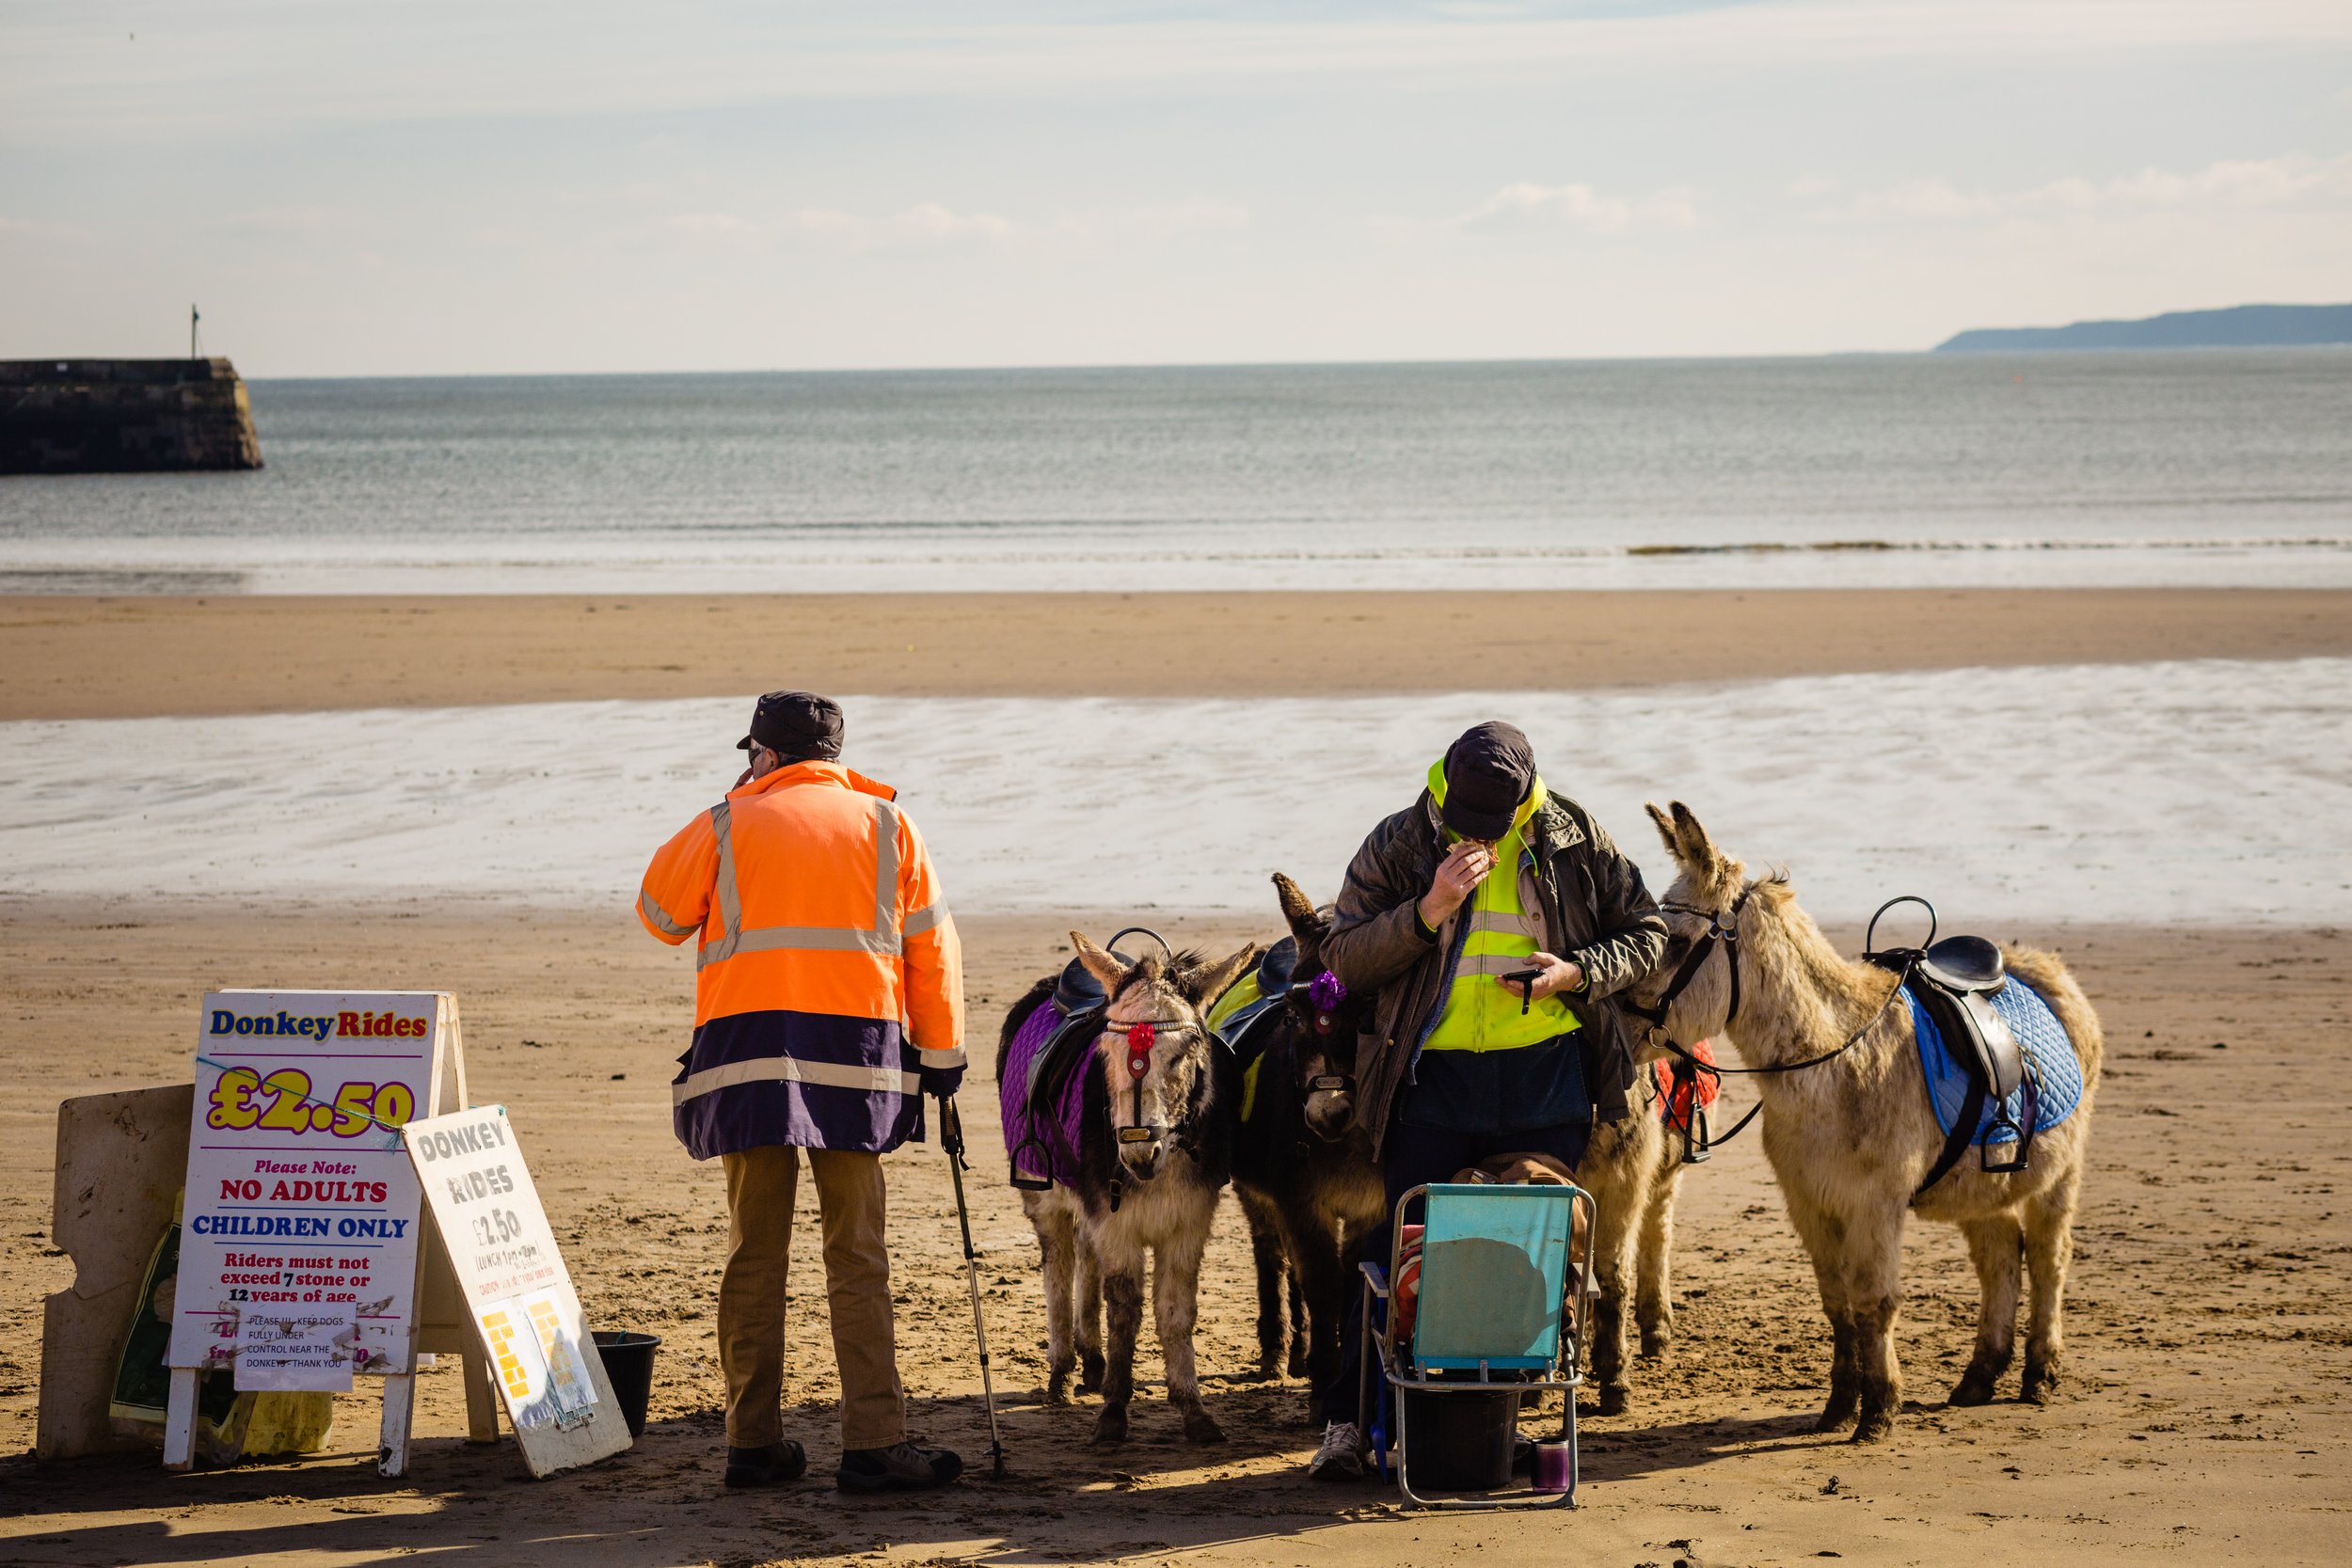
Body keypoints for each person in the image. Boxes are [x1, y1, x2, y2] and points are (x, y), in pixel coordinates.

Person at [1306, 720, 1666, 1480]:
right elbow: (1341, 955)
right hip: (1427, 1083)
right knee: (1397, 1250)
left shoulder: (1573, 835)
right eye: (1470, 825)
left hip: (1544, 1084)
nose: (1484, 840)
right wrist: (1427, 910)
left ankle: (1486, 1425)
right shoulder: (1402, 841)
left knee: (1523, 1257)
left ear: (1527, 795)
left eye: (1495, 828)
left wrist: (1575, 972)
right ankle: (1350, 1422)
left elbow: (1650, 934)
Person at [637, 690, 968, 1494]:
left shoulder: (726, 820)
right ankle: (874, 1442)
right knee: (857, 1253)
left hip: (747, 1058)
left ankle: (752, 1442)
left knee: (755, 1252)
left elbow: (658, 912)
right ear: (835, 755)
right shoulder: (890, 825)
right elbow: (932, 949)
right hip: (856, 1061)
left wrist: (741, 803)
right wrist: (944, 1054)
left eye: (751, 753)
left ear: (768, 754)